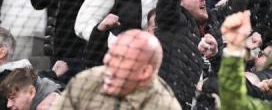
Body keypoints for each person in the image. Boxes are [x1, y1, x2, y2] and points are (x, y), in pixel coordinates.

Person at [52, 30, 181, 109]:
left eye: (119, 58)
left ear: (144, 72)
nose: (107, 62)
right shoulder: (85, 81)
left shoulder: (164, 105)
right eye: (110, 54)